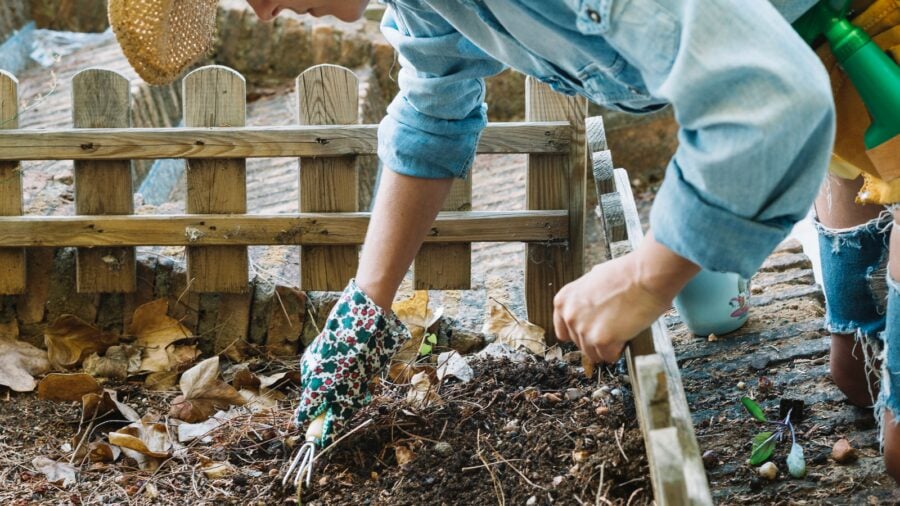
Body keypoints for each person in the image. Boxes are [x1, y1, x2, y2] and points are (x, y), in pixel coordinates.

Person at [807, 0, 900, 482]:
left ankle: (858, 343)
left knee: (848, 152)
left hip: (823, 54)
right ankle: (860, 343)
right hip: (852, 50)